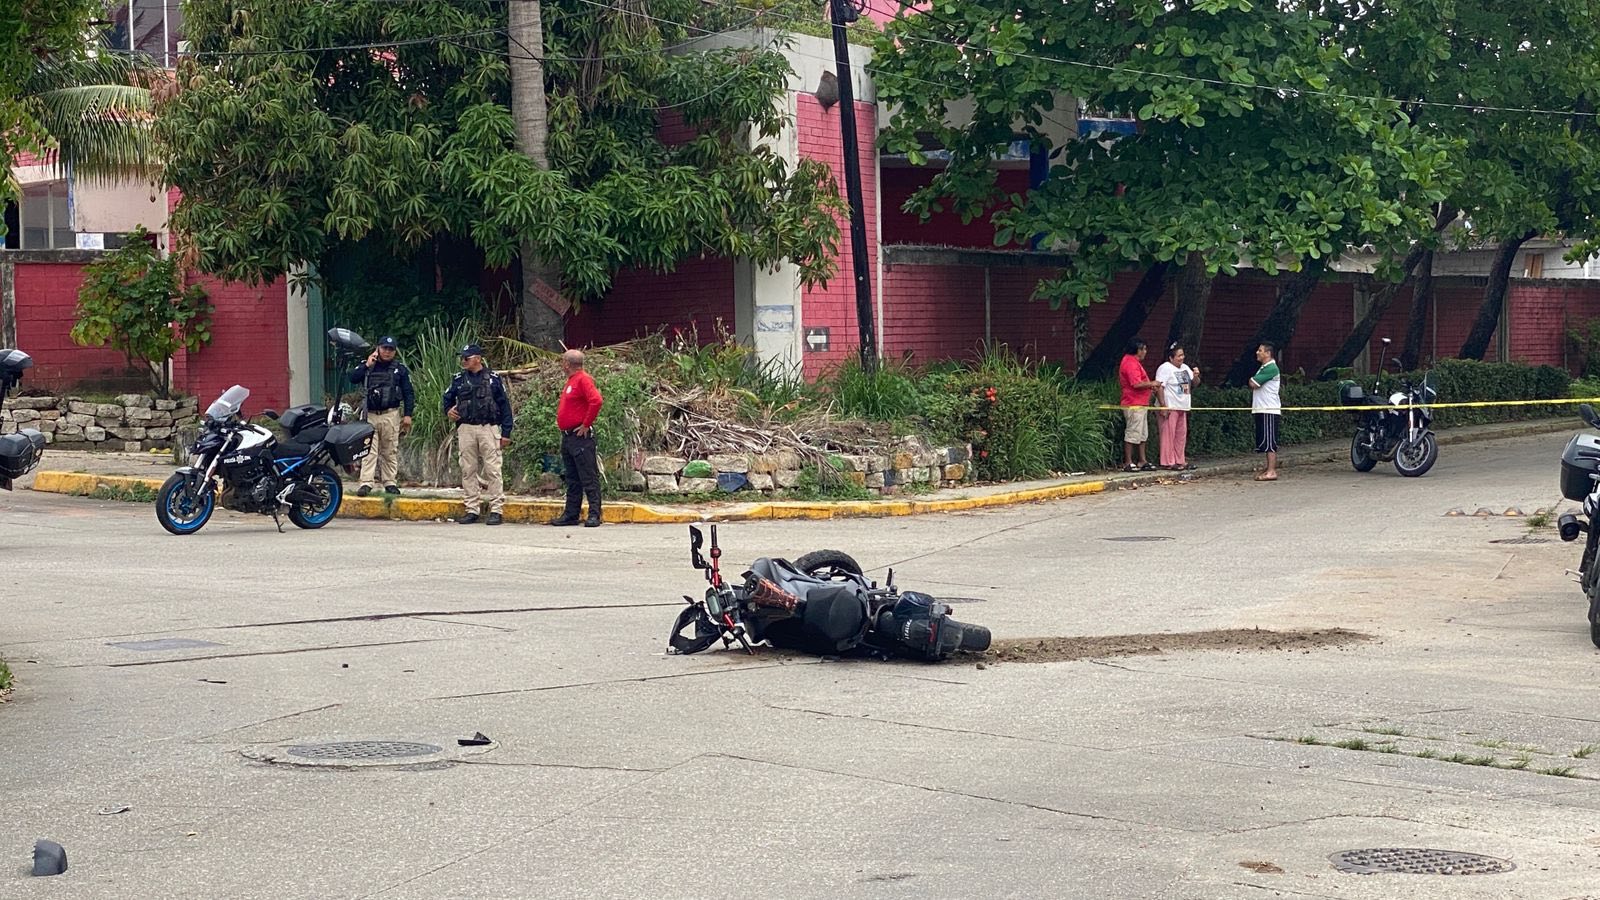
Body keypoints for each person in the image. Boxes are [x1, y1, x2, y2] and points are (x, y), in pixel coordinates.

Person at [441, 344, 514, 525]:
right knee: (468, 469)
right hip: (466, 428)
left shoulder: (494, 379)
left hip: (488, 428)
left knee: (493, 470)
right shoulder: (458, 379)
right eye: (462, 358)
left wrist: (506, 432)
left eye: (467, 357)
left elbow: (505, 406)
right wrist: (448, 410)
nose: (463, 361)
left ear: (478, 359)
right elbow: (447, 399)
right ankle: (472, 508)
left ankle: (496, 509)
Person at [349, 335, 415, 496]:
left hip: (390, 414)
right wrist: (366, 365)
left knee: (389, 450)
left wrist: (408, 415)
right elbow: (352, 378)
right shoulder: (368, 366)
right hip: (369, 414)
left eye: (390, 349)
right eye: (384, 348)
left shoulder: (399, 369)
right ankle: (366, 483)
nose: (387, 352)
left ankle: (390, 482)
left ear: (395, 352)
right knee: (368, 450)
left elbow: (408, 392)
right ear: (378, 348)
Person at [550, 349, 605, 527]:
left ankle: (594, 514)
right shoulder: (571, 381)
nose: (561, 364)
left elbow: (596, 401)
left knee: (588, 476)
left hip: (580, 436)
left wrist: (586, 424)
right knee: (572, 477)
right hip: (568, 436)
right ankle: (571, 514)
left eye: (562, 361)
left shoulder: (583, 379)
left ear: (567, 364)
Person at [1118, 337, 1161, 472]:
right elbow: (1135, 384)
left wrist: (1149, 387)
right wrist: (1152, 383)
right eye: (1143, 349)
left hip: (1141, 403)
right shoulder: (1130, 363)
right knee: (1132, 432)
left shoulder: (1135, 363)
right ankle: (1128, 462)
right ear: (1137, 350)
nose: (1145, 352)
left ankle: (1142, 460)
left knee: (1142, 434)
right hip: (1133, 403)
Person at [1155, 343, 1199, 471]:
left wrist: (1196, 376)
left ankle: (1180, 460)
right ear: (1171, 358)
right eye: (1179, 356)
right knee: (1168, 434)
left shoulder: (1185, 367)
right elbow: (1159, 387)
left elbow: (1195, 383)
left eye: (1182, 355)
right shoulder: (1165, 368)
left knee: (1181, 435)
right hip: (1170, 406)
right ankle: (1168, 461)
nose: (1182, 358)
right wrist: (1163, 406)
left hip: (1182, 406)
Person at [1249, 342, 1282, 481]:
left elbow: (1253, 383)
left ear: (1268, 353)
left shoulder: (1271, 368)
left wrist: (1251, 380)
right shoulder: (1263, 368)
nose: (1257, 352)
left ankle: (1272, 470)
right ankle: (1268, 468)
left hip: (1269, 409)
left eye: (1260, 350)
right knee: (1264, 440)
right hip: (1261, 408)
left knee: (1270, 442)